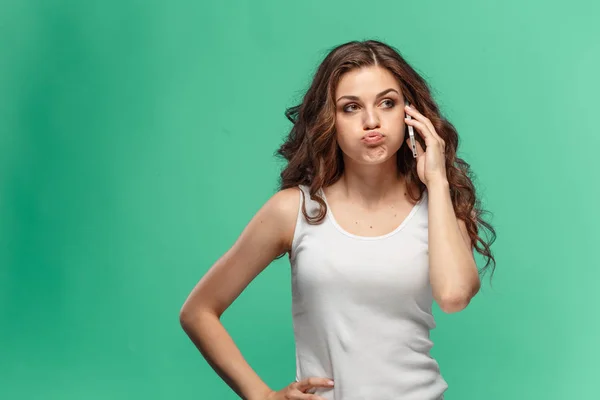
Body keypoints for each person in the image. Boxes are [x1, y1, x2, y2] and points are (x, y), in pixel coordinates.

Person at [179, 39, 497, 400]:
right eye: (350, 108)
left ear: (410, 114)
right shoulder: (295, 210)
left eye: (387, 103)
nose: (372, 121)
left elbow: (454, 296)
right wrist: (262, 396)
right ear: (330, 120)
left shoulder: (440, 208)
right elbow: (198, 311)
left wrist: (437, 182)